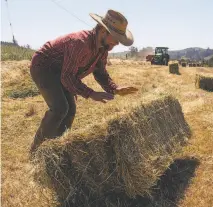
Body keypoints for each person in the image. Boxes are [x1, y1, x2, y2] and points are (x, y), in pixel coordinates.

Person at [29, 9, 138, 155]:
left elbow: (100, 73)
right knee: (60, 108)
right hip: (44, 67)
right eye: (115, 38)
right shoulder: (80, 43)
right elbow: (67, 77)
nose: (117, 43)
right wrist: (91, 93)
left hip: (64, 71)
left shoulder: (102, 50)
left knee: (70, 111)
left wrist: (115, 89)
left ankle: (57, 149)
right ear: (102, 31)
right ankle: (36, 152)